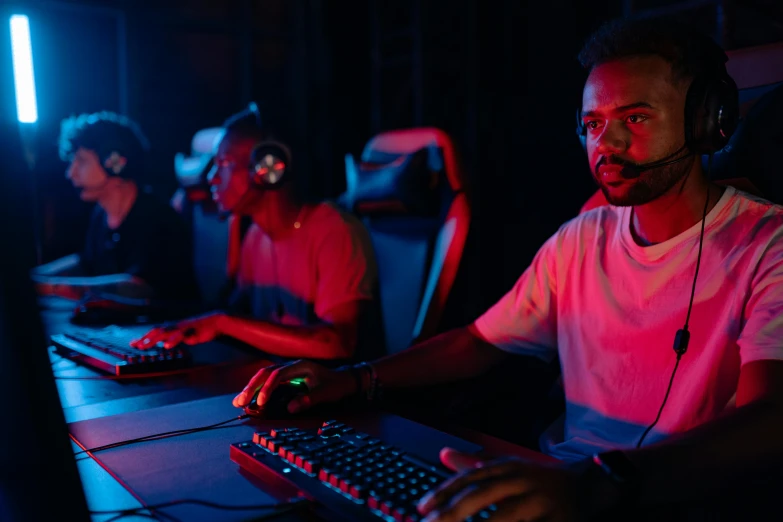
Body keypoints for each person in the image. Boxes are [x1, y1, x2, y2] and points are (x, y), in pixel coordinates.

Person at [232, 19, 783, 520]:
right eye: (593, 123)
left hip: (668, 498)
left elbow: (768, 424)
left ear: (709, 122)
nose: (606, 144)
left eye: (634, 118)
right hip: (560, 489)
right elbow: (480, 341)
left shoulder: (767, 245)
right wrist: (356, 378)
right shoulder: (579, 240)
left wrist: (599, 485)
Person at [131, 104, 379, 361]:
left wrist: (222, 323)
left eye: (223, 163)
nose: (212, 178)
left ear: (269, 168)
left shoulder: (336, 231)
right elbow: (232, 312)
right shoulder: (256, 236)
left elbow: (337, 344)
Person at [32, 111, 198, 303]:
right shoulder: (101, 215)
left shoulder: (157, 219)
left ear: (115, 162)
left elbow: (137, 287)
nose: (71, 173)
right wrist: (33, 277)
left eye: (82, 161)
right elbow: (87, 263)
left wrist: (50, 288)